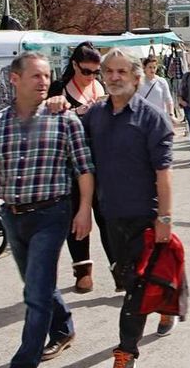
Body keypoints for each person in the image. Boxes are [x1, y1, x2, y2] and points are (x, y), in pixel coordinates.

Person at [0, 52, 95, 366]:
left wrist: (84, 209)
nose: (44, 82)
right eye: (36, 76)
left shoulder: (64, 119)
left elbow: (84, 169)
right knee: (37, 284)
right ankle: (63, 329)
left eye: (47, 76)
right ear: (15, 79)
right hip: (12, 215)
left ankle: (25, 360)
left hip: (53, 214)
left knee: (35, 293)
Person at [81, 48, 177, 368]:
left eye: (122, 72)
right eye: (109, 71)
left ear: (137, 78)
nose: (114, 77)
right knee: (128, 277)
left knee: (135, 285)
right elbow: (84, 162)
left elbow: (163, 173)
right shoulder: (95, 115)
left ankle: (126, 352)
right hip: (111, 215)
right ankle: (165, 305)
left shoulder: (152, 118)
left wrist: (164, 217)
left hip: (146, 216)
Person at [47, 42, 110, 293]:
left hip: (101, 162)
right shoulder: (58, 89)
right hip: (70, 164)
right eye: (86, 71)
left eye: (96, 72)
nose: (91, 77)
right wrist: (75, 111)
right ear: (74, 65)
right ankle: (83, 271)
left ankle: (119, 269)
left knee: (108, 217)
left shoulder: (99, 87)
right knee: (78, 218)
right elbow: (47, 123)